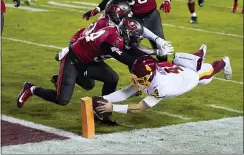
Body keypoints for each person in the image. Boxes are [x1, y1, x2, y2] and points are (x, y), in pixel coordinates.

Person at [16, 17, 171, 109]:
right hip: (73, 61)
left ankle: (102, 109)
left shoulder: (118, 32)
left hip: (89, 61)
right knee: (62, 100)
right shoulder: (111, 41)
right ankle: (31, 88)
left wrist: (157, 49)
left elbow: (134, 48)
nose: (137, 40)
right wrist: (156, 54)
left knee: (108, 79)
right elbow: (129, 58)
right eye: (134, 37)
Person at [51, 0, 173, 89]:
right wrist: (155, 52)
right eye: (126, 13)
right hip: (81, 51)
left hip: (90, 49)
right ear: (117, 14)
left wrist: (157, 39)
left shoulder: (112, 21)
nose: (129, 16)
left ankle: (65, 75)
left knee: (92, 84)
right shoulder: (109, 28)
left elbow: (135, 28)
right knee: (89, 85)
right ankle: (66, 68)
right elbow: (129, 50)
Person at [93, 44, 232, 115]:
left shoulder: (161, 87)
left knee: (209, 75)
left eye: (140, 78)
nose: (137, 81)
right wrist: (104, 98)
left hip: (189, 77)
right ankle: (199, 55)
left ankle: (225, 62)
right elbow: (125, 92)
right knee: (191, 63)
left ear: (150, 75)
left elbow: (139, 108)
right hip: (175, 70)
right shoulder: (147, 75)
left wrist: (113, 107)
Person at [82, 0, 173, 61]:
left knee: (162, 48)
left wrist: (167, 0)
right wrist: (98, 8)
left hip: (152, 17)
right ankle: (138, 77)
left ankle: (164, 72)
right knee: (132, 49)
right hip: (132, 19)